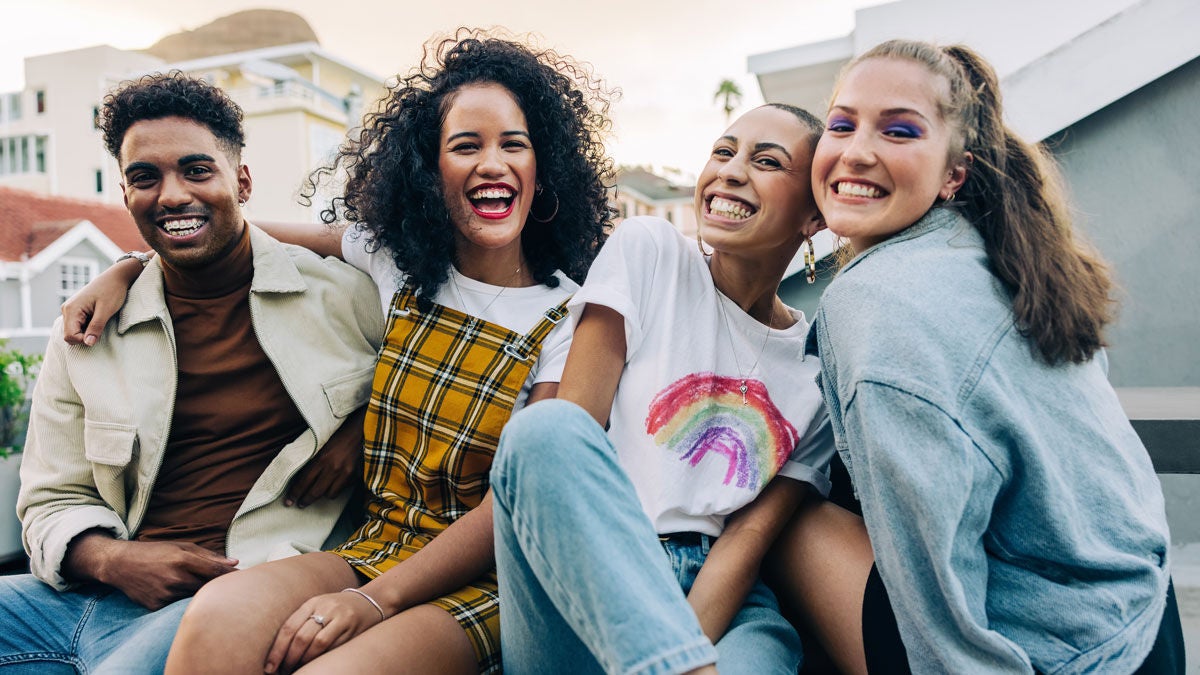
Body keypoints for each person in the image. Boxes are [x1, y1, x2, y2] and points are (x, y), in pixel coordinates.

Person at [54, 31, 618, 675]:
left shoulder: (574, 318)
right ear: (428, 171)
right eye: (466, 145)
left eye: (513, 144)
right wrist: (125, 269)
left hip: (492, 575)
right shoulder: (395, 264)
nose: (493, 162)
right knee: (219, 614)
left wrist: (371, 603)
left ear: (545, 166)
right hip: (374, 546)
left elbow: (520, 504)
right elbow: (225, 231)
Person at [767, 39, 1184, 674]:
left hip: (1058, 654)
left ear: (953, 173)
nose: (856, 151)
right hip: (1147, 620)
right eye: (843, 124)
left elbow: (932, 556)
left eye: (899, 132)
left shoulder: (875, 301)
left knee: (779, 512)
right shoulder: (1004, 257)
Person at [0, 72, 383, 673]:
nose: (172, 195)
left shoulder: (346, 297)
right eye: (144, 178)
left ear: (243, 181)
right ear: (125, 194)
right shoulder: (87, 330)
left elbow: (443, 379)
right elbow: (50, 497)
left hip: (232, 594)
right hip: (80, 596)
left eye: (197, 171)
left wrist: (367, 423)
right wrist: (111, 560)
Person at [490, 102, 832, 675]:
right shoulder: (650, 250)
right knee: (543, 429)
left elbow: (746, 540)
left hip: (722, 597)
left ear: (814, 217)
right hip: (593, 567)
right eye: (723, 152)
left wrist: (680, 646)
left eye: (766, 161)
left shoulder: (815, 372)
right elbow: (568, 446)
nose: (730, 170)